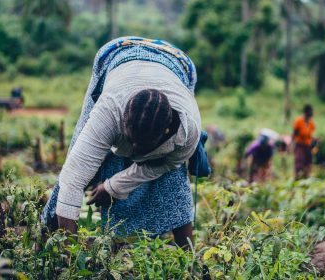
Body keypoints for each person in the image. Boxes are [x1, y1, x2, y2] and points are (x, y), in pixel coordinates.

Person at [42, 37, 206, 248]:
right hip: (117, 55)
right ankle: (52, 234)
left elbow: (165, 165)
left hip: (179, 64)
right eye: (131, 141)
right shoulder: (109, 112)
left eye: (142, 146)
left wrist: (113, 187)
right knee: (78, 156)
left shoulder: (187, 131)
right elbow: (72, 180)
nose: (134, 151)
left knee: (173, 178)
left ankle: (188, 256)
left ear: (165, 132)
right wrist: (70, 254)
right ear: (122, 121)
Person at [292, 104, 316, 179]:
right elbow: (294, 133)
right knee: (299, 162)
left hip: (307, 145)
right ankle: (297, 177)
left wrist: (314, 140)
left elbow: (310, 135)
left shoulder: (311, 123)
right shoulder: (298, 121)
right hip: (299, 144)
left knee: (308, 162)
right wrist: (291, 144)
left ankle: (306, 177)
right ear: (306, 112)